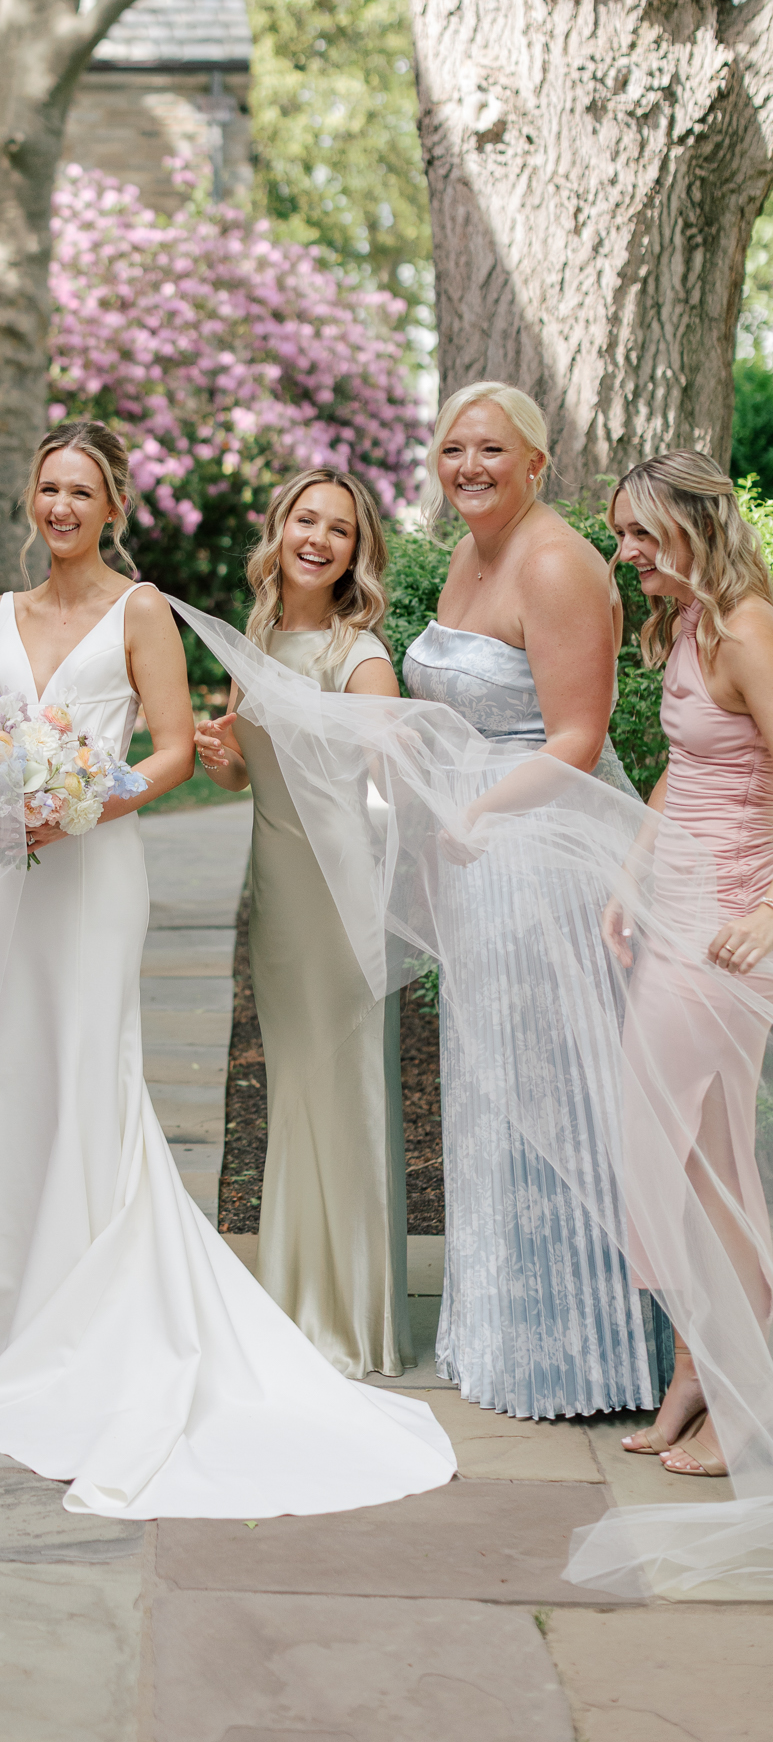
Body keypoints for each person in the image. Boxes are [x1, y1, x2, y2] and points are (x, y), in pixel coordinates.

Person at [0, 420, 457, 1518]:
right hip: (14, 863)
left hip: (94, 861)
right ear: (32, 496)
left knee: (94, 1063)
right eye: (49, 487)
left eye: (82, 491)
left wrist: (81, 801)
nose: (61, 505)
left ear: (113, 506)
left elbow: (167, 752)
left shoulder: (145, 610)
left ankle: (95, 1294)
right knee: (20, 1062)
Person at [400, 381, 656, 1419]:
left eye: (491, 450)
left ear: (537, 463)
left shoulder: (553, 562)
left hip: (541, 853)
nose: (468, 466)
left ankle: (582, 1356)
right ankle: (504, 1337)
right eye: (453, 448)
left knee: (552, 1096)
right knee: (493, 1087)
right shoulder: (470, 551)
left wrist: (473, 813)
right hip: (478, 852)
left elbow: (578, 737)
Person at [193, 468, 413, 1377]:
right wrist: (219, 755)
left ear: (357, 551)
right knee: (294, 1087)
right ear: (278, 529)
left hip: (335, 893)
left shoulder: (358, 654)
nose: (318, 539)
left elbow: (393, 777)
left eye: (340, 529)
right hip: (276, 891)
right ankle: (292, 1296)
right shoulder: (258, 638)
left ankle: (349, 1317)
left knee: (343, 1086)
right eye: (305, 520)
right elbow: (247, 773)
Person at [605, 453, 773, 1478]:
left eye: (639, 534)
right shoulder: (687, 622)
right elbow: (685, 763)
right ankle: (695, 1369)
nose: (625, 553)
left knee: (710, 1171)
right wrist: (630, 871)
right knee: (664, 1157)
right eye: (620, 535)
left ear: (692, 525)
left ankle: (746, 1399)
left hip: (728, 935)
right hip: (673, 912)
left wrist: (770, 911)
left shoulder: (750, 631)